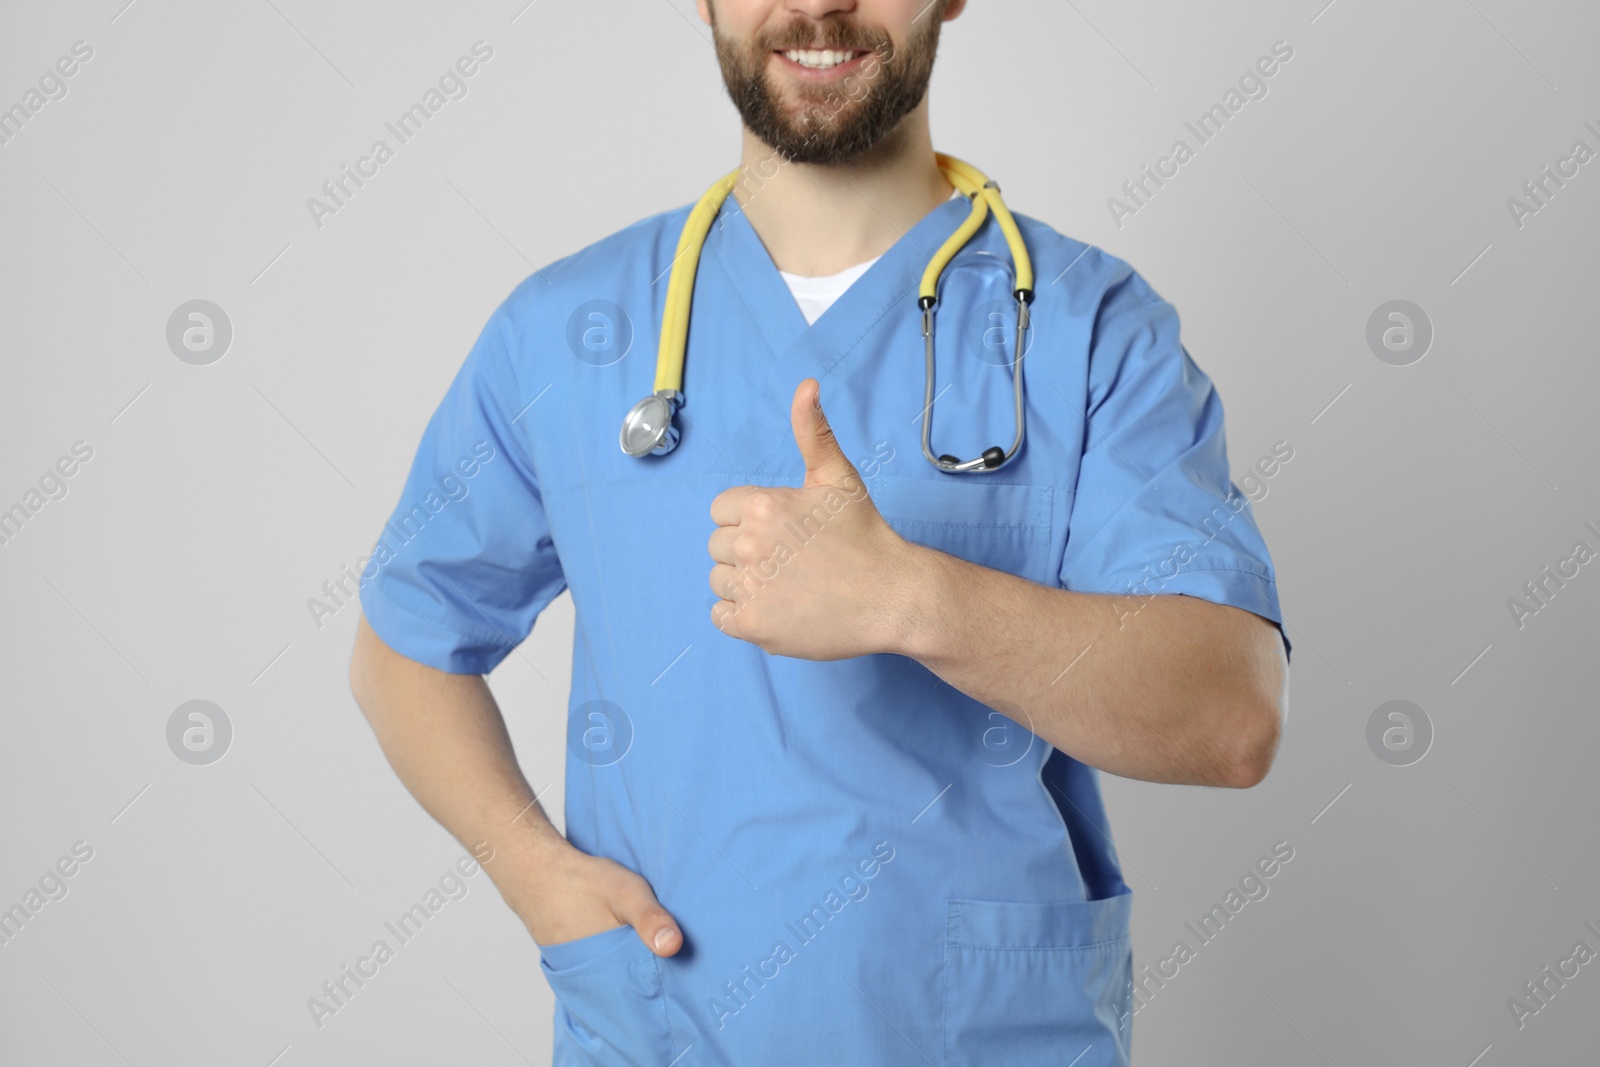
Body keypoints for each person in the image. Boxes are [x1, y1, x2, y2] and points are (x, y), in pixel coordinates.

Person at [347, 0, 1291, 1064]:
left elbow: (1231, 716)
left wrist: (910, 598)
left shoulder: (1084, 327)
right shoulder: (568, 328)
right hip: (667, 1028)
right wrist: (532, 871)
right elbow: (405, 641)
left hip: (975, 1033)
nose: (815, 5)